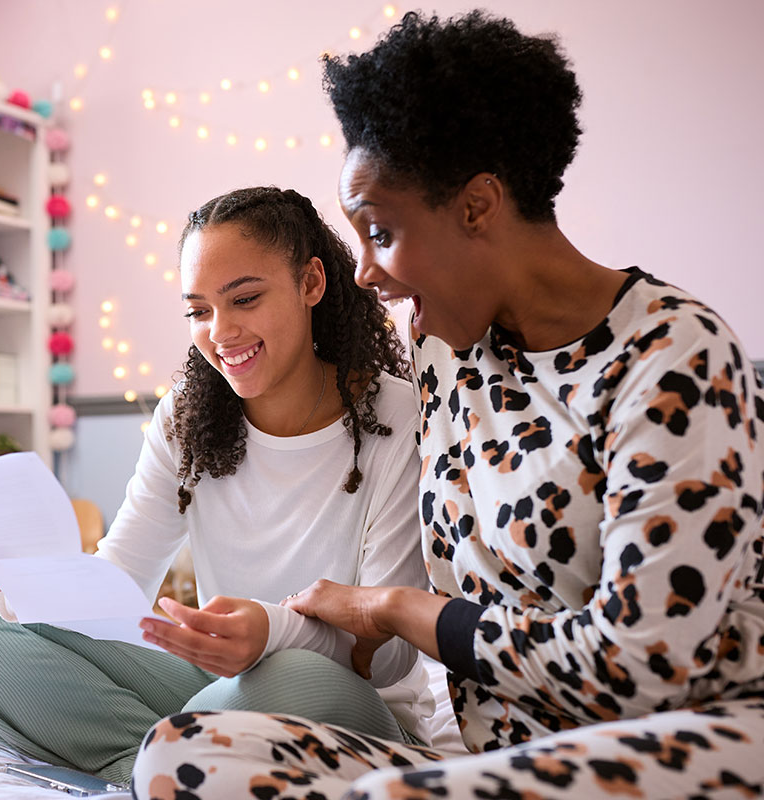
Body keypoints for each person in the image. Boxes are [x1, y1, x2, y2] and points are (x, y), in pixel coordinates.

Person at [132, 11, 764, 799]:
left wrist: (397, 609)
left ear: (477, 207)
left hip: (684, 735)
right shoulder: (450, 359)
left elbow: (644, 665)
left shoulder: (675, 359)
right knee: (179, 756)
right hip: (485, 756)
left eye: (380, 232)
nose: (364, 273)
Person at [0, 186, 437, 786]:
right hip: (224, 685)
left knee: (288, 672)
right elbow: (120, 583)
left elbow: (391, 651)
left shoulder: (398, 419)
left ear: (311, 283)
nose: (221, 331)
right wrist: (11, 582)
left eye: (244, 298)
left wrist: (272, 629)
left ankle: (175, 753)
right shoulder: (186, 419)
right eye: (198, 311)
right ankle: (154, 765)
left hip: (345, 701)